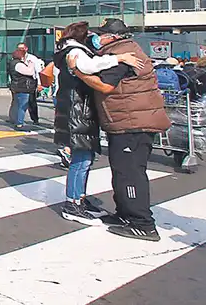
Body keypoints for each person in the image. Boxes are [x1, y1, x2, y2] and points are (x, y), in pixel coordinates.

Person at [71, 18, 170, 242]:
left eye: (102, 34)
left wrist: (78, 71)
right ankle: (125, 214)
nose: (98, 38)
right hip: (127, 121)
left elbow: (105, 85)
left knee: (130, 173)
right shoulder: (120, 52)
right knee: (121, 171)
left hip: (133, 123)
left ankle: (142, 223)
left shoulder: (124, 54)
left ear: (113, 37)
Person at [53, 21, 144, 225]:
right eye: (92, 34)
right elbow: (88, 66)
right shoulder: (74, 51)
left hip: (78, 111)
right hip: (78, 112)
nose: (96, 38)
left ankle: (79, 199)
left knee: (85, 159)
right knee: (81, 160)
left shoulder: (71, 49)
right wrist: (119, 58)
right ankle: (73, 204)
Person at [8, 49, 37, 130]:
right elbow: (30, 72)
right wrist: (31, 65)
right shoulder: (18, 65)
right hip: (22, 87)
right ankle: (19, 123)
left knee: (17, 104)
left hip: (17, 87)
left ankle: (16, 120)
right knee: (22, 106)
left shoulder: (13, 63)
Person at [18, 43, 45, 125]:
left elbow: (38, 71)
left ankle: (35, 119)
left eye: (22, 48)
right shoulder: (18, 58)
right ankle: (18, 118)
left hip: (31, 82)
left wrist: (40, 84)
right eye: (19, 49)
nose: (20, 50)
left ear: (26, 49)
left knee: (31, 101)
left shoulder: (32, 58)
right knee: (20, 101)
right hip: (21, 82)